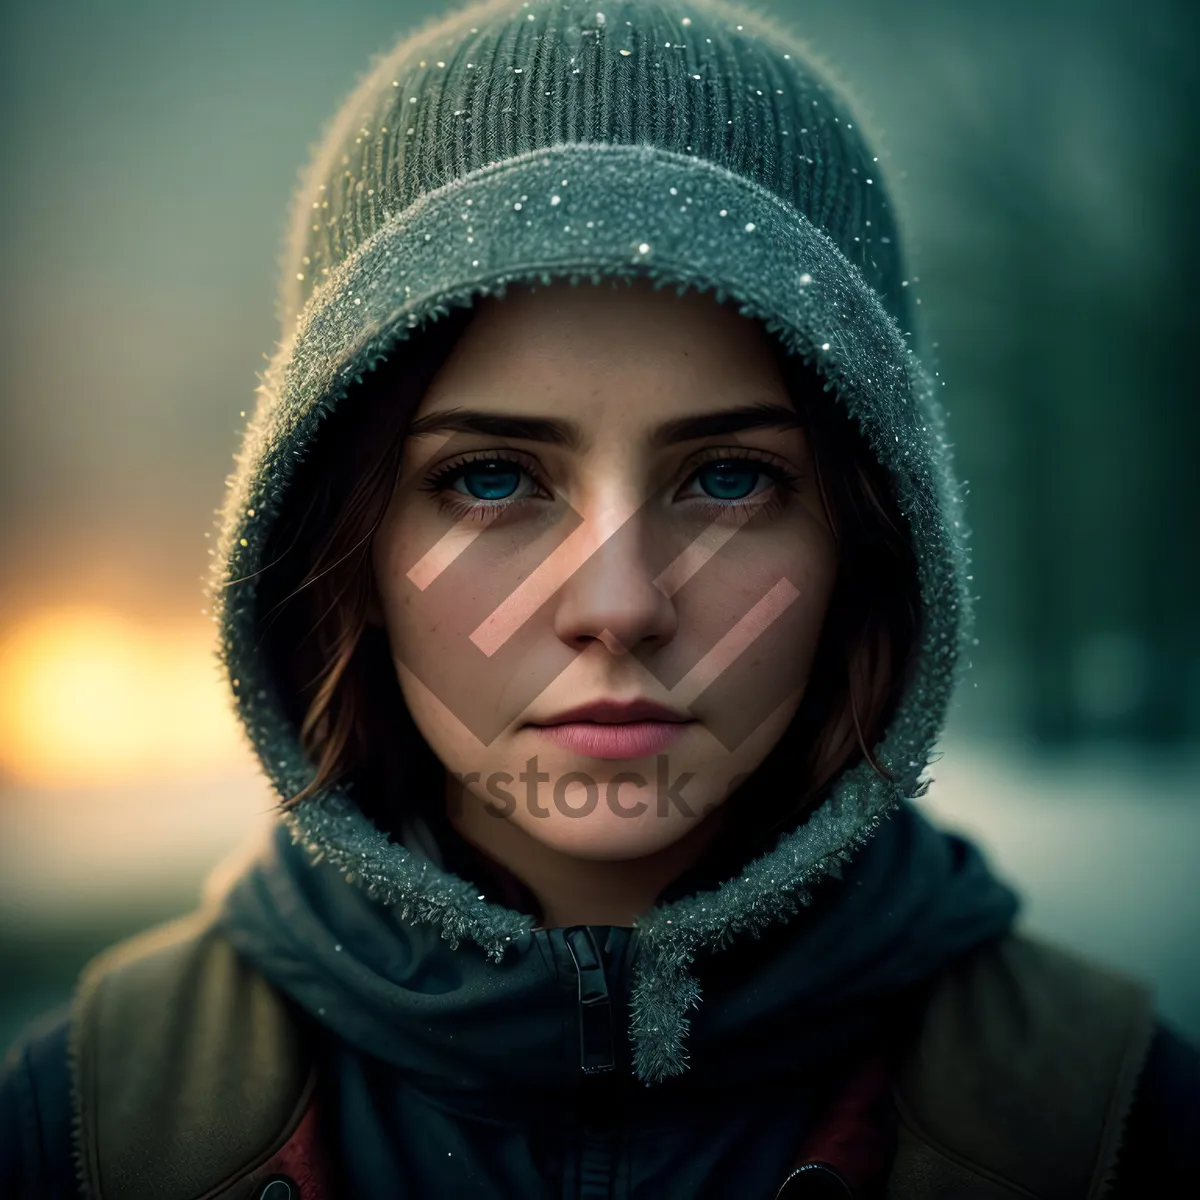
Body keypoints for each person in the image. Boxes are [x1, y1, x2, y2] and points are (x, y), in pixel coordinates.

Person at [2, 0, 1197, 1195]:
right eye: (491, 478)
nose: (618, 605)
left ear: (869, 544)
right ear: (343, 544)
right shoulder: (88, 1132)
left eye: (729, 479)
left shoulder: (1112, 1126)